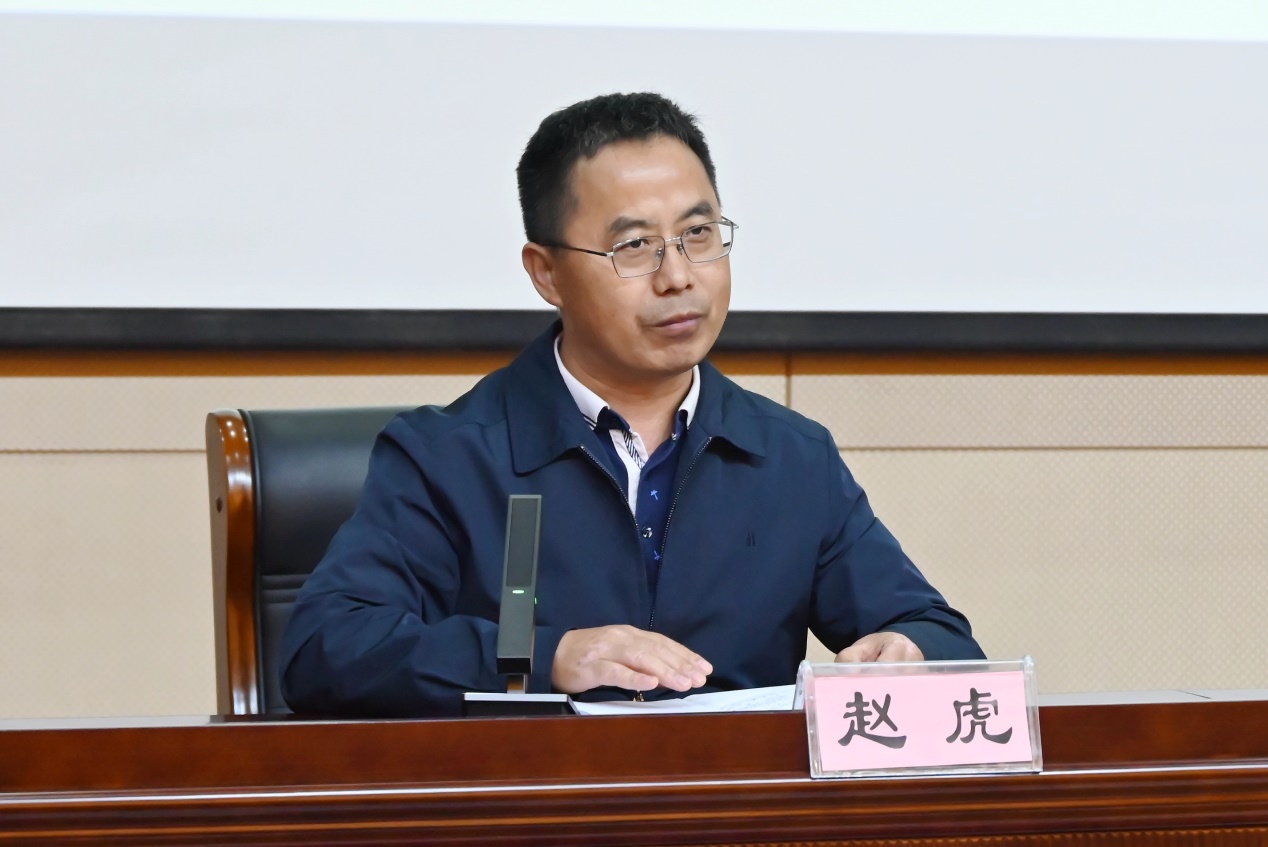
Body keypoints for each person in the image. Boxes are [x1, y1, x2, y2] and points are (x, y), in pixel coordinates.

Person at [279, 92, 984, 717]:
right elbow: (324, 647)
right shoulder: (449, 455)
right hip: (539, 805)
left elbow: (939, 635)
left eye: (698, 235)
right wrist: (543, 656)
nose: (678, 277)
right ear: (546, 273)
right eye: (635, 246)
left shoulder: (790, 457)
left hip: (733, 807)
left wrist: (909, 651)